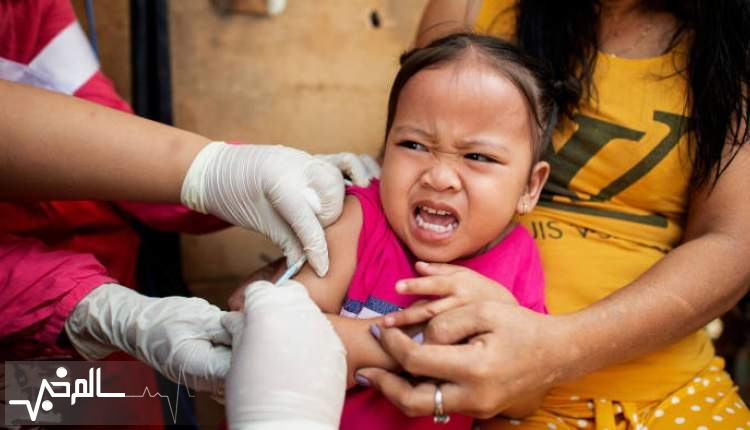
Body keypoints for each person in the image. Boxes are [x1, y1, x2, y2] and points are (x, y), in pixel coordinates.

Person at [354, 0, 750, 429]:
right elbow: (409, 161)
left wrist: (554, 349)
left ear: (533, 184)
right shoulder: (473, 6)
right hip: (468, 387)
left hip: (668, 389)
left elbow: (733, 242)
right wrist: (327, 218)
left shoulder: (732, 46)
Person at [267, 33, 554, 429]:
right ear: (385, 149)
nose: (439, 176)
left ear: (529, 188)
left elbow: (524, 401)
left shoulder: (519, 257)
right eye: (415, 145)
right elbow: (285, 327)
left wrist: (503, 328)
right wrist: (428, 350)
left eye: (477, 156)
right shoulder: (360, 219)